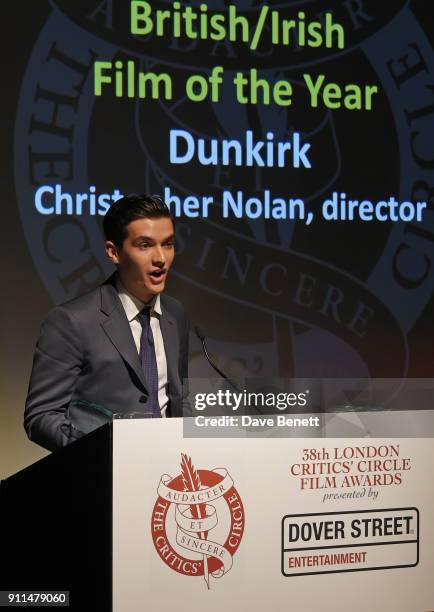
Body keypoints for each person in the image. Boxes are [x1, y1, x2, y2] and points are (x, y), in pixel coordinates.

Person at [24, 194, 190, 452]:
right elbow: (41, 416)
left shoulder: (175, 314)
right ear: (114, 252)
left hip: (166, 474)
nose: (161, 258)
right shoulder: (72, 321)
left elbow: (177, 399)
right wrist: (99, 456)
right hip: (102, 479)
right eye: (145, 245)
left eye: (167, 244)